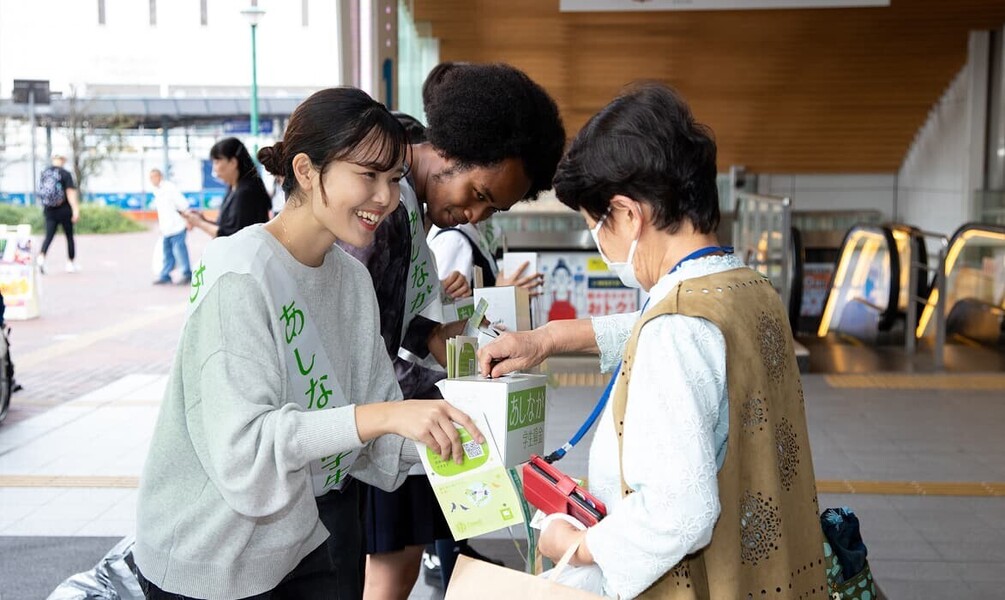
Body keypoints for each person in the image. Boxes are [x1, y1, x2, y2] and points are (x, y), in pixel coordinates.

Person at [477, 83, 827, 599]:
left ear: (628, 214)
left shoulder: (677, 327)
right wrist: (549, 338)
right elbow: (667, 335)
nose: (600, 242)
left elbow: (679, 512)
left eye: (597, 225)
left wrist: (575, 544)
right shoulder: (748, 288)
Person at [133, 87, 484, 600]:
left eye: (393, 179)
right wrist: (385, 415)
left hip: (298, 541)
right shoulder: (240, 272)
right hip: (210, 555)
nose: (385, 198)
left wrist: (476, 438)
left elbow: (379, 434)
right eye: (367, 175)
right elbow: (247, 446)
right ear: (305, 170)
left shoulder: (352, 280)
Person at [339, 62, 565, 600]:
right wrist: (461, 403)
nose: (473, 214)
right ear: (451, 148)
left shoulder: (412, 212)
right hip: (345, 438)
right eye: (477, 192)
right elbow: (354, 348)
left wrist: (443, 338)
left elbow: (393, 318)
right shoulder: (388, 210)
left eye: (490, 207)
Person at [184, 137, 271, 237]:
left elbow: (231, 235)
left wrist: (199, 223)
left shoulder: (246, 192)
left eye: (217, 162)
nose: (214, 169)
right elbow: (224, 227)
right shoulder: (233, 188)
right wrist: (202, 219)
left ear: (233, 162)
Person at [37, 154, 80, 274]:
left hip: (49, 209)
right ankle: (70, 263)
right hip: (64, 210)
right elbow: (70, 192)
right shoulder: (65, 174)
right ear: (63, 160)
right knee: (69, 236)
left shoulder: (45, 173)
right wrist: (75, 209)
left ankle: (41, 257)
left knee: (49, 236)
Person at [148, 169, 192, 285]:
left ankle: (187, 274)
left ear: (160, 176)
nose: (153, 180)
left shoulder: (169, 188)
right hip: (166, 228)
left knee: (180, 251)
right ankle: (165, 275)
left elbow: (183, 204)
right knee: (167, 253)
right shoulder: (156, 191)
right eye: (151, 178)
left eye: (154, 176)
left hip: (177, 226)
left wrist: (188, 220)